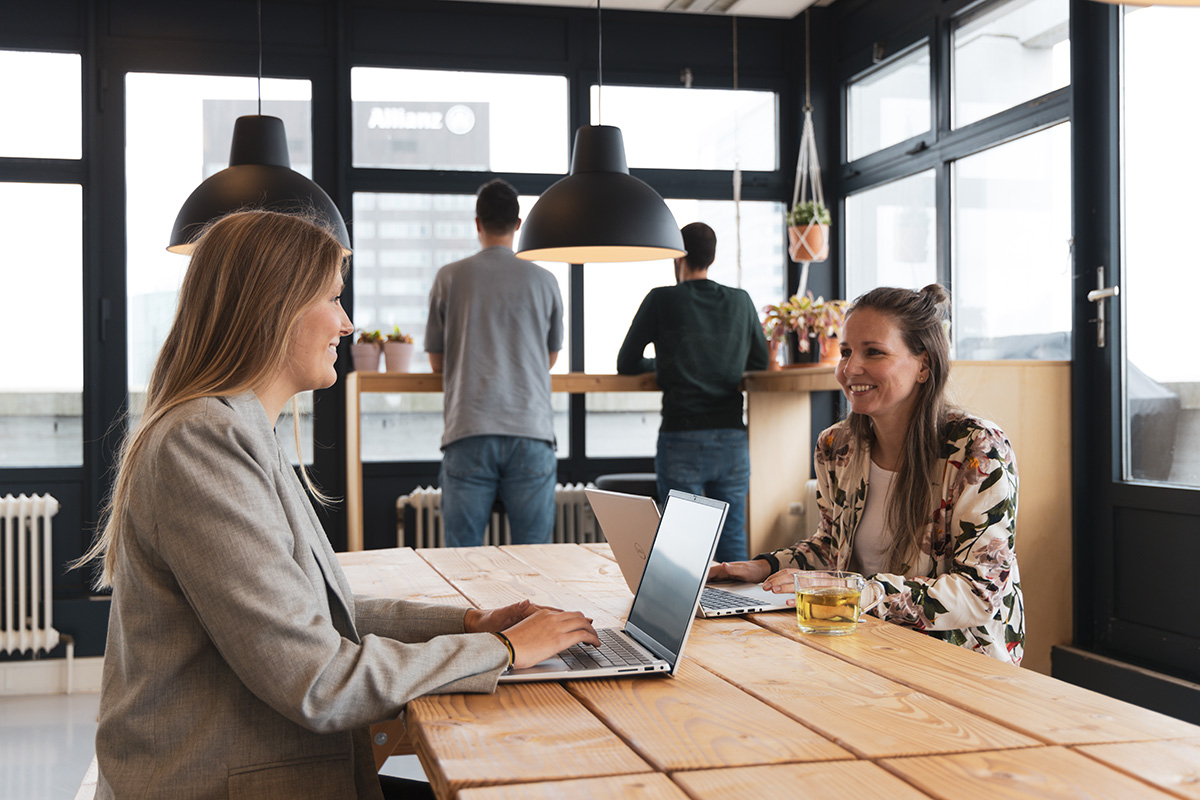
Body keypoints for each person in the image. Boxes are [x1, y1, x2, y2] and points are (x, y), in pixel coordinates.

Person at [75, 210, 598, 800]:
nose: (348, 325)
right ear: (274, 308)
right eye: (333, 298)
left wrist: (469, 623)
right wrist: (500, 651)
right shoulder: (204, 443)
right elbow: (318, 679)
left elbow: (315, 612)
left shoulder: (239, 430)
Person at [709, 284, 1023, 665]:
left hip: (959, 661)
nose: (849, 369)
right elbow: (831, 548)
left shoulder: (977, 450)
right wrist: (762, 568)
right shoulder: (835, 447)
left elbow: (980, 593)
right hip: (869, 646)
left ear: (924, 365)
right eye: (846, 352)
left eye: (873, 352)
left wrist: (852, 590)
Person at [616, 222, 769, 563]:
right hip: (731, 436)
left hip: (681, 435)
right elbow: (760, 361)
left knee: (682, 543)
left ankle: (683, 616)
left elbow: (626, 362)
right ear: (712, 257)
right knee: (732, 539)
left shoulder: (661, 299)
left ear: (678, 258)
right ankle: (735, 612)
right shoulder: (741, 301)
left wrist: (666, 365)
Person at [425, 179, 563, 547]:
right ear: (518, 224)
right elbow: (549, 357)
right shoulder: (546, 280)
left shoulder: (449, 277)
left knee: (463, 558)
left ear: (477, 223)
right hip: (531, 428)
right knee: (536, 557)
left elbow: (437, 362)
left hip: (469, 427)